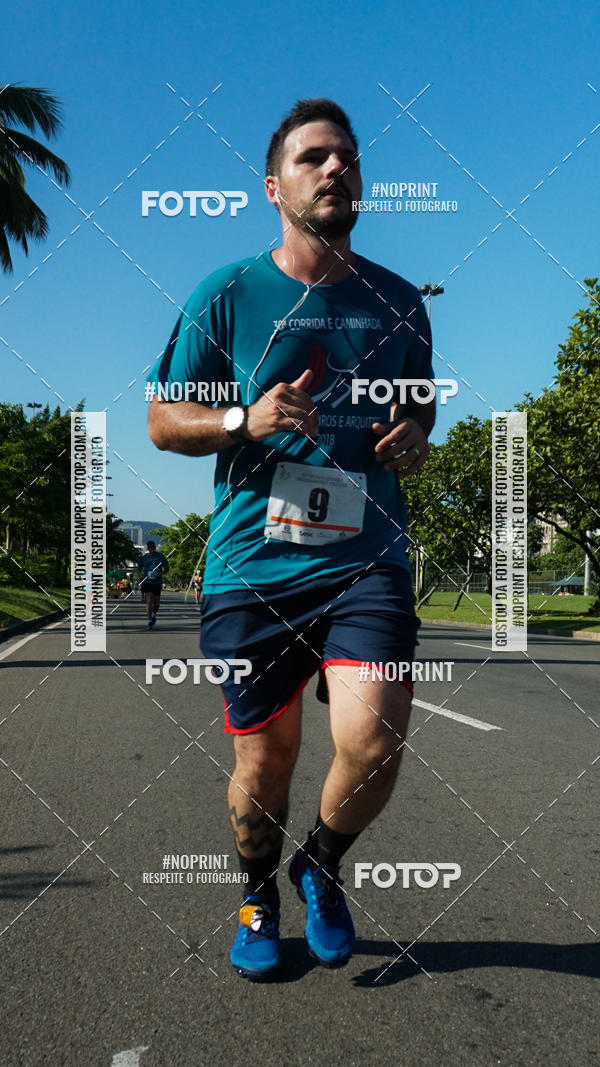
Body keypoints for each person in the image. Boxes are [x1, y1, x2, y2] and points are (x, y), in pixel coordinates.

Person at [147, 98, 435, 979]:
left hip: (365, 556)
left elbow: (421, 399)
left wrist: (416, 432)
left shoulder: (399, 301)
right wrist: (245, 417)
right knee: (264, 762)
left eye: (347, 156)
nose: (335, 167)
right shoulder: (227, 294)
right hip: (253, 565)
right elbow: (163, 420)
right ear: (274, 187)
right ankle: (256, 894)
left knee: (374, 739)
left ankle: (321, 861)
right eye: (313, 157)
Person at [137, 540, 169, 628]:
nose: (151, 548)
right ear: (147, 548)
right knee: (149, 599)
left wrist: (160, 573)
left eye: (153, 547)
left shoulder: (161, 556)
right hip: (147, 582)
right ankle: (150, 620)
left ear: (154, 547)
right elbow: (138, 569)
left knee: (156, 604)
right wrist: (141, 575)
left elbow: (166, 568)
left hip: (157, 582)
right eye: (150, 547)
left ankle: (154, 614)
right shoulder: (143, 558)